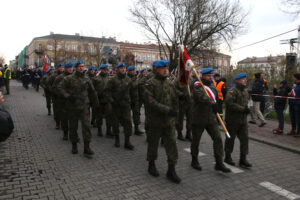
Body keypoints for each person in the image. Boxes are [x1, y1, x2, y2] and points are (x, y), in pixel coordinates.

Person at [144, 60, 181, 183]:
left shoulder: (169, 83)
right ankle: (151, 164)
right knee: (153, 144)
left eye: (166, 67)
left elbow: (175, 98)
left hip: (168, 121)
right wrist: (167, 110)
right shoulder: (150, 84)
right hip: (155, 121)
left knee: (172, 145)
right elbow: (150, 102)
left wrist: (176, 110)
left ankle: (171, 169)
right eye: (162, 68)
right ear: (156, 69)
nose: (166, 70)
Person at [190, 67, 231, 173]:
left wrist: (217, 105)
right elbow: (201, 97)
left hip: (211, 118)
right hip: (199, 117)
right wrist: (213, 104)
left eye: (211, 75)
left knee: (218, 138)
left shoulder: (212, 85)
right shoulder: (197, 85)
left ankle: (219, 163)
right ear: (202, 75)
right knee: (196, 140)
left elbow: (215, 97)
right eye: (208, 76)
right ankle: (194, 160)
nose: (210, 77)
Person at [57, 59, 99, 156]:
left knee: (86, 127)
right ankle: (74, 145)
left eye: (83, 66)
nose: (81, 68)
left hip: (84, 107)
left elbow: (93, 92)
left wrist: (96, 104)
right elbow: (59, 87)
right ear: (76, 68)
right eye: (79, 66)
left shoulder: (87, 78)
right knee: (73, 127)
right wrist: (68, 96)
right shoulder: (69, 78)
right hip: (73, 107)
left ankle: (87, 147)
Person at [224, 73, 252, 168]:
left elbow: (245, 103)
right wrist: (242, 109)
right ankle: (227, 157)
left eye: (245, 79)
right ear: (237, 80)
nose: (245, 80)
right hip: (232, 120)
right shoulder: (232, 91)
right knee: (230, 139)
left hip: (243, 120)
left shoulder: (245, 91)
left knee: (245, 139)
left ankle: (243, 159)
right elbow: (229, 104)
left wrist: (246, 109)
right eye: (243, 79)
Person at [107, 62, 135, 150]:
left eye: (124, 68)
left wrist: (132, 102)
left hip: (126, 105)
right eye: (121, 68)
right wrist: (112, 101)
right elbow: (107, 92)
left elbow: (132, 92)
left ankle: (127, 141)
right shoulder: (113, 80)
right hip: (116, 105)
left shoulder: (128, 80)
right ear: (118, 69)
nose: (123, 69)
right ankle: (117, 139)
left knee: (128, 122)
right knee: (115, 123)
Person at [52, 62, 73, 140]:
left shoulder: (74, 76)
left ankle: (73, 134)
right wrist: (61, 95)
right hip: (62, 101)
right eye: (69, 68)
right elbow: (54, 88)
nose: (71, 69)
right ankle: (65, 133)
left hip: (72, 101)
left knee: (73, 119)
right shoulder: (59, 77)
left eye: (71, 67)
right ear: (66, 68)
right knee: (64, 118)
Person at [92, 64, 113, 138]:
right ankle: (99, 130)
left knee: (109, 116)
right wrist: (96, 95)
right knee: (99, 116)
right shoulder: (96, 79)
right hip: (99, 100)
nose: (106, 71)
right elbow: (92, 90)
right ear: (100, 69)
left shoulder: (109, 78)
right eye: (104, 69)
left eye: (106, 69)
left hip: (107, 100)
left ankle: (108, 130)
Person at [127, 65, 144, 136]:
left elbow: (139, 89)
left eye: (134, 70)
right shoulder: (126, 79)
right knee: (127, 115)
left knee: (136, 114)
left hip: (136, 99)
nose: (134, 71)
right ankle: (127, 129)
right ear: (129, 71)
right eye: (132, 70)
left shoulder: (136, 79)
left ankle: (136, 129)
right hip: (128, 100)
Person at [50, 62, 65, 129]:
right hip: (56, 96)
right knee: (57, 111)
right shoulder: (53, 76)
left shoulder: (66, 75)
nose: (62, 68)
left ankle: (63, 123)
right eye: (60, 67)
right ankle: (57, 123)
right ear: (58, 68)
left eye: (63, 67)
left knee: (63, 111)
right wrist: (54, 92)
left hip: (64, 96)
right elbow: (49, 84)